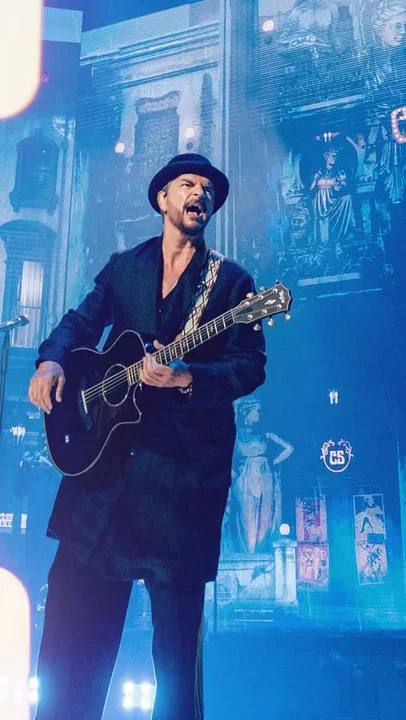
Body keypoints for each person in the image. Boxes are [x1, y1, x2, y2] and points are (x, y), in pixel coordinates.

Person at [28, 153, 267, 720]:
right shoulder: (124, 267)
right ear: (162, 198)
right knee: (69, 648)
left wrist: (188, 378)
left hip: (179, 488)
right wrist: (51, 360)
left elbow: (250, 365)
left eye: (208, 189)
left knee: (175, 667)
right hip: (102, 481)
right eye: (187, 184)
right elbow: (80, 322)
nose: (199, 193)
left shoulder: (232, 281)